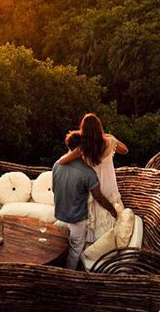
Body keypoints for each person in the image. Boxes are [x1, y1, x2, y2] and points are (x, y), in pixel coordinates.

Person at [57, 113, 129, 240]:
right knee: (113, 220)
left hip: (92, 188)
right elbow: (125, 150)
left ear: (83, 129)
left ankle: (93, 246)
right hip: (109, 187)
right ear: (99, 127)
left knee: (93, 223)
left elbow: (62, 161)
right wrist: (112, 137)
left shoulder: (82, 149)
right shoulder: (110, 142)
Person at [52, 131, 117, 269]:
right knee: (76, 248)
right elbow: (99, 197)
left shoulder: (57, 164)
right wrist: (112, 210)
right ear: (82, 148)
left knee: (63, 244)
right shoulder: (87, 172)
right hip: (76, 217)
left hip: (60, 212)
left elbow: (54, 188)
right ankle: (69, 275)